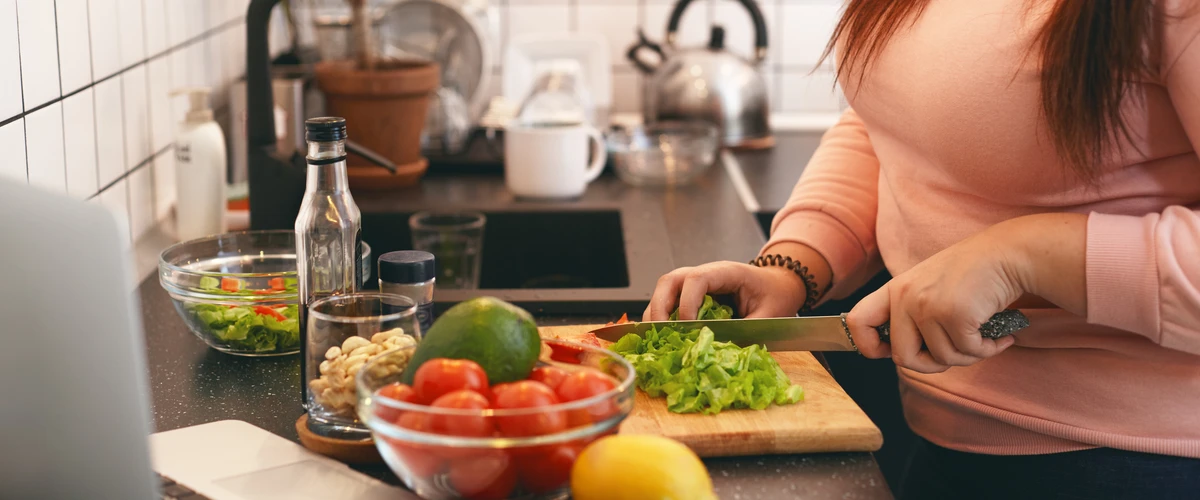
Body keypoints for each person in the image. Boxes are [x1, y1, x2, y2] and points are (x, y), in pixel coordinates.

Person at [645, 1, 1200, 498]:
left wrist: (1024, 255)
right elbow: (885, 126)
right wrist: (793, 265)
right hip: (939, 437)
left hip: (1133, 464)